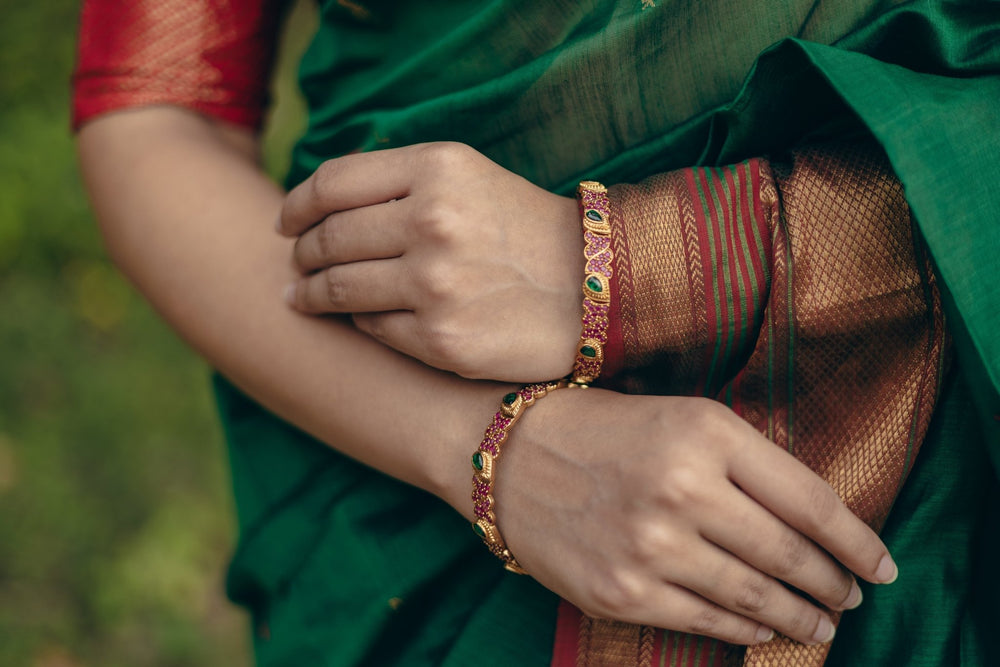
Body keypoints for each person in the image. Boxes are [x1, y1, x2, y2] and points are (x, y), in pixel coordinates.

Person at [73, 1, 1000, 665]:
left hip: (942, 429)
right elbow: (155, 109)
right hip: (410, 451)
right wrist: (488, 447)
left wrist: (622, 264)